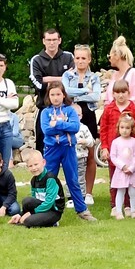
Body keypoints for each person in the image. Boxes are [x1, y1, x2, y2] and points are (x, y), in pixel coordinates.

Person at [40, 82, 97, 221]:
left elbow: (75, 127)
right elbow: (46, 130)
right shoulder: (45, 112)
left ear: (63, 95)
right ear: (48, 96)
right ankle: (47, 209)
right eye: (52, 94)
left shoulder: (70, 110)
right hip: (51, 149)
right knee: (49, 179)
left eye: (58, 94)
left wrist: (58, 124)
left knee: (73, 179)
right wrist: (65, 128)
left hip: (68, 149)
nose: (55, 97)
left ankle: (82, 210)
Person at [63, 44, 101, 204]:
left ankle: (89, 193)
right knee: (71, 153)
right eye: (77, 58)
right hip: (70, 115)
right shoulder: (67, 75)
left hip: (88, 114)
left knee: (90, 154)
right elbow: (66, 92)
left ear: (89, 59)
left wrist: (77, 93)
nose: (80, 61)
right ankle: (73, 192)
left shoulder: (94, 78)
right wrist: (86, 90)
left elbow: (96, 96)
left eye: (83, 58)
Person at [99, 79, 135, 216]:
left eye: (123, 92)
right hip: (114, 150)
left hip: (129, 149)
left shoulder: (133, 108)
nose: (121, 95)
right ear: (113, 94)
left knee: (130, 177)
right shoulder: (109, 109)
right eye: (117, 92)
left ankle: (128, 205)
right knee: (115, 177)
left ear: (128, 93)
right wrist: (105, 147)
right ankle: (114, 205)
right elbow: (103, 129)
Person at [30, 28, 75, 152]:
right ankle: (42, 170)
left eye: (54, 39)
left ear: (59, 40)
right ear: (44, 41)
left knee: (69, 145)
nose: (51, 43)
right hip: (45, 108)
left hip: (67, 108)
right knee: (41, 145)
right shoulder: (37, 59)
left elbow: (73, 81)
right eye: (48, 40)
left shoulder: (68, 57)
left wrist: (48, 79)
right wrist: (62, 78)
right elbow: (38, 84)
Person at [8, 150, 65, 228]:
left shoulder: (50, 179)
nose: (34, 168)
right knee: (27, 200)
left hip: (53, 210)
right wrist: (20, 215)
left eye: (36, 164)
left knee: (28, 221)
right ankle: (28, 218)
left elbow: (49, 203)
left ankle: (53, 222)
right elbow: (34, 200)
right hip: (42, 207)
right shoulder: (33, 180)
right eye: (30, 166)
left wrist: (31, 213)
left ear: (43, 163)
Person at [110, 114, 135, 219]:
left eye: (127, 128)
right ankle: (118, 211)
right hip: (121, 171)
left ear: (132, 129)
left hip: (132, 172)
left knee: (132, 192)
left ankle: (133, 210)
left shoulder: (134, 142)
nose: (124, 130)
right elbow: (113, 156)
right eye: (122, 127)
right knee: (120, 191)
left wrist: (131, 168)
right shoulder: (116, 142)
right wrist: (122, 166)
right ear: (118, 128)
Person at [104, 35, 135, 105]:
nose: (109, 59)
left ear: (116, 56)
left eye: (109, 57)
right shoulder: (114, 75)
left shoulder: (134, 73)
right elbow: (107, 99)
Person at [71, 103, 96, 205]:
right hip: (69, 158)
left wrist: (84, 141)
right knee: (70, 178)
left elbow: (91, 142)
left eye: (78, 115)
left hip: (81, 158)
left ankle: (81, 197)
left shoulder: (84, 128)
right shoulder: (67, 128)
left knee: (80, 178)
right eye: (73, 115)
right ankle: (70, 197)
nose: (75, 117)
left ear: (81, 116)